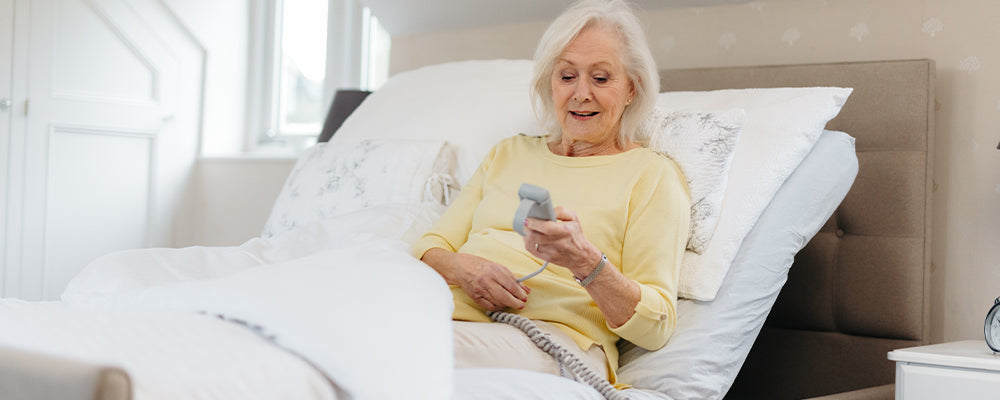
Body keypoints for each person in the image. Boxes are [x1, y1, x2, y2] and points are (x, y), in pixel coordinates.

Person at [412, 0, 690, 389]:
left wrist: (586, 262)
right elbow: (431, 245)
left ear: (631, 88)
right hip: (445, 314)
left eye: (601, 78)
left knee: (386, 348)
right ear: (550, 83)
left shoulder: (652, 176)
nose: (581, 94)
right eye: (567, 76)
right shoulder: (508, 153)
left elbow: (656, 324)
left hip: (553, 340)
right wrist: (464, 268)